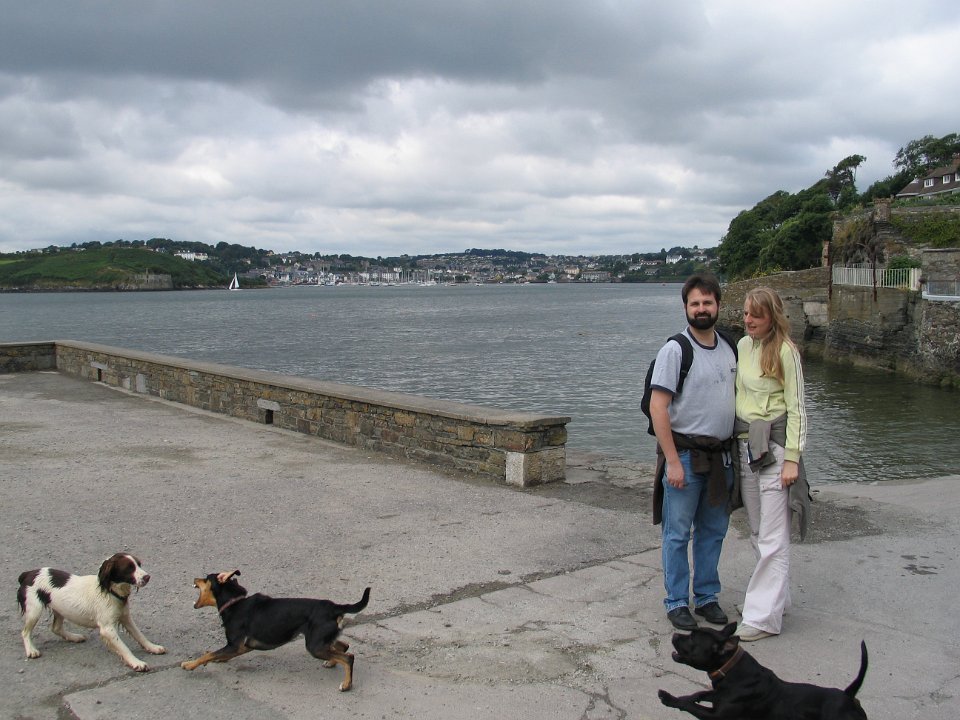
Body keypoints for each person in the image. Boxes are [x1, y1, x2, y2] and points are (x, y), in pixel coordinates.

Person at [650, 274, 738, 631]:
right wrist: (672, 461)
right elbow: (658, 407)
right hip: (685, 456)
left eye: (707, 302)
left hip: (721, 458)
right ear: (686, 308)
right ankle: (676, 601)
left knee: (713, 530)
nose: (701, 309)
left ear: (718, 305)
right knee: (677, 533)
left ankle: (706, 597)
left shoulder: (730, 346)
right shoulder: (675, 350)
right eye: (695, 303)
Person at [733, 286, 809, 642]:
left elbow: (798, 409)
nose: (748, 320)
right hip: (747, 445)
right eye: (746, 313)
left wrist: (792, 459)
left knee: (774, 536)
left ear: (772, 318)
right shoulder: (743, 346)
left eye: (756, 315)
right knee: (758, 529)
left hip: (776, 451)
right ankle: (774, 600)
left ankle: (763, 617)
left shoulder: (786, 352)